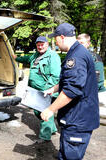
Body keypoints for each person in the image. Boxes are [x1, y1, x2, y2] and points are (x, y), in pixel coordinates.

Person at [41, 23, 100, 159]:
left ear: (62, 37)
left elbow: (72, 90)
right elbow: (69, 80)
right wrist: (54, 88)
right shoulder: (76, 51)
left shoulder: (76, 57)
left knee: (70, 157)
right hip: (76, 117)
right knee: (65, 154)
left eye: (55, 39)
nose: (54, 42)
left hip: (78, 120)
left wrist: (50, 109)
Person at [14, 36, 61, 143]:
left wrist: (48, 89)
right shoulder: (36, 55)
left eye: (42, 44)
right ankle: (52, 129)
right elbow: (26, 58)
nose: (40, 47)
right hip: (34, 90)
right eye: (38, 45)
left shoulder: (52, 56)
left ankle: (45, 137)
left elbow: (55, 76)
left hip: (45, 91)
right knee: (36, 111)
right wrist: (16, 58)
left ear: (47, 44)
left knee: (44, 112)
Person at [77, 33, 106, 108]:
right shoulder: (76, 57)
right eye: (77, 43)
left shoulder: (95, 58)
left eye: (82, 43)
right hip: (80, 93)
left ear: (88, 44)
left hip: (96, 94)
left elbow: (97, 81)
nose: (79, 45)